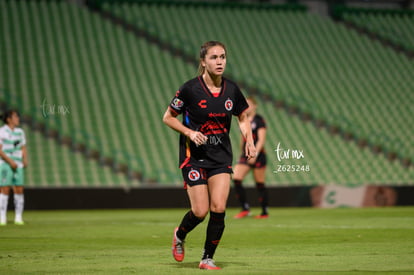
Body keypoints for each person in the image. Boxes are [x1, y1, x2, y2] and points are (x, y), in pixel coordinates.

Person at [163, 41, 256, 270]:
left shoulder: (232, 89)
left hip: (221, 157)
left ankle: (207, 258)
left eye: (223, 57)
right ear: (203, 62)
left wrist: (250, 140)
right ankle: (180, 234)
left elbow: (242, 117)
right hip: (193, 157)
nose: (219, 61)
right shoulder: (189, 89)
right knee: (200, 211)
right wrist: (190, 132)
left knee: (218, 208)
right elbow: (168, 117)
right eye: (214, 57)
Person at [233, 96, 269, 219]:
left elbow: (261, 139)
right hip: (245, 154)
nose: (246, 107)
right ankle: (245, 208)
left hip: (258, 154)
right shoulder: (244, 120)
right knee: (236, 178)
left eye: (249, 104)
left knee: (259, 183)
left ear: (255, 106)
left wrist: (255, 154)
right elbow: (243, 139)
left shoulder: (259, 120)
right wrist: (242, 151)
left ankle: (264, 211)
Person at [0, 109, 28, 225]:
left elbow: (23, 147)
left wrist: (25, 159)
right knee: (5, 189)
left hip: (18, 164)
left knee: (19, 189)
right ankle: (2, 218)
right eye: (15, 117)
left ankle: (18, 217)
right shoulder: (1, 131)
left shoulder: (20, 132)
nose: (18, 119)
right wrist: (10, 161)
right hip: (5, 163)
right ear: (8, 119)